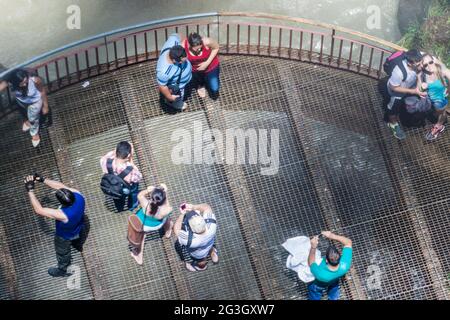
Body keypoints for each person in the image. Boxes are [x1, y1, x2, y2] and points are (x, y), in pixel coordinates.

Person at [23, 173, 85, 277]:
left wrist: (30, 191)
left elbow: (39, 210)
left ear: (62, 203)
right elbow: (60, 186)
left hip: (65, 236)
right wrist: (42, 179)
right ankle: (77, 245)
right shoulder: (79, 195)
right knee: (77, 237)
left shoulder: (62, 214)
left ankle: (63, 269)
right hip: (78, 226)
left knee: (62, 253)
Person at [0, 68, 50, 147]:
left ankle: (34, 134)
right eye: (22, 83)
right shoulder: (10, 82)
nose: (25, 84)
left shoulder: (35, 80)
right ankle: (29, 122)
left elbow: (42, 92)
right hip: (22, 101)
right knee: (28, 114)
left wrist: (45, 106)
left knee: (33, 119)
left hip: (35, 103)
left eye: (26, 82)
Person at [385, 49, 425, 140]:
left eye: (421, 61)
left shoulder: (418, 58)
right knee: (393, 108)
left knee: (413, 102)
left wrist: (419, 77)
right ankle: (393, 124)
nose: (421, 65)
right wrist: (414, 91)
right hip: (397, 92)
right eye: (418, 63)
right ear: (410, 63)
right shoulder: (399, 71)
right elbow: (393, 87)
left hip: (410, 86)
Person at [130, 184, 174, 265]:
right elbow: (168, 207)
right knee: (167, 218)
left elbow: (140, 195)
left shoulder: (145, 204)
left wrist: (148, 190)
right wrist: (165, 193)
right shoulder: (165, 210)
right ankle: (168, 232)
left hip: (144, 225)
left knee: (142, 238)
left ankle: (139, 258)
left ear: (151, 197)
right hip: (157, 225)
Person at [307, 231, 353, 300]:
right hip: (334, 279)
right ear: (340, 257)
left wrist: (313, 247)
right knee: (334, 287)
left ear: (326, 260)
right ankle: (333, 298)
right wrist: (332, 236)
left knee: (315, 292)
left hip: (319, 285)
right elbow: (348, 242)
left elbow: (311, 262)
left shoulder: (320, 274)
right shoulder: (345, 265)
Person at [174, 202, 218, 272]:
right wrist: (194, 207)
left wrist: (182, 214)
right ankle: (213, 254)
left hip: (197, 254)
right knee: (209, 245)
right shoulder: (211, 226)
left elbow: (176, 230)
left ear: (192, 229)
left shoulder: (189, 240)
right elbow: (206, 207)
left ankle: (199, 265)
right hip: (208, 244)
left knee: (199, 258)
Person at [100, 141, 142, 212]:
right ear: (128, 155)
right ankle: (132, 206)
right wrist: (131, 160)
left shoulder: (105, 160)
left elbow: (109, 155)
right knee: (134, 191)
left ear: (116, 150)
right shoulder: (131, 171)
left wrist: (118, 150)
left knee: (117, 198)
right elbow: (138, 177)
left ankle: (119, 207)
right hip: (126, 188)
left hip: (113, 186)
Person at [156, 33, 192, 112]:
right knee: (178, 96)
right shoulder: (164, 71)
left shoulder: (173, 41)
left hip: (185, 79)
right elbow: (162, 86)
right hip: (178, 84)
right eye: (182, 62)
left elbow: (177, 35)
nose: (184, 62)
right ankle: (173, 103)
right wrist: (170, 97)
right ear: (174, 60)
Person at [418, 54, 450, 141]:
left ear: (434, 61)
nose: (428, 66)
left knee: (441, 113)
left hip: (439, 101)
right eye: (425, 64)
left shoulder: (440, 70)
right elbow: (419, 88)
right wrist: (421, 87)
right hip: (429, 99)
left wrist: (448, 89)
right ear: (422, 66)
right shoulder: (422, 74)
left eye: (430, 62)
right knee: (436, 112)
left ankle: (439, 126)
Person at [183, 32, 220, 100]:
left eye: (200, 48)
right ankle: (200, 85)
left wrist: (207, 63)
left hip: (210, 67)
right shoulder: (183, 46)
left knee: (215, 88)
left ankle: (207, 81)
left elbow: (216, 47)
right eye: (196, 49)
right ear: (190, 45)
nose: (199, 50)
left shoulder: (207, 41)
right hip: (195, 70)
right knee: (196, 81)